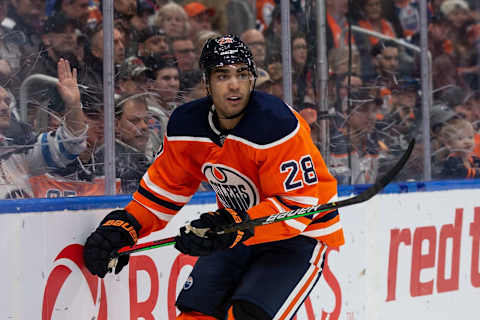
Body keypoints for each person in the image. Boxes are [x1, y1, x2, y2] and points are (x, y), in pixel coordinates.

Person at [83, 34, 344, 319]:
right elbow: (161, 194)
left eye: (242, 74)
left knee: (247, 314)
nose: (234, 84)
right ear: (206, 82)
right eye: (222, 76)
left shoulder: (276, 124)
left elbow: (298, 209)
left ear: (252, 79)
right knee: (195, 314)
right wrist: (126, 227)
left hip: (299, 236)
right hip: (235, 232)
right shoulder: (186, 126)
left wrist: (232, 226)